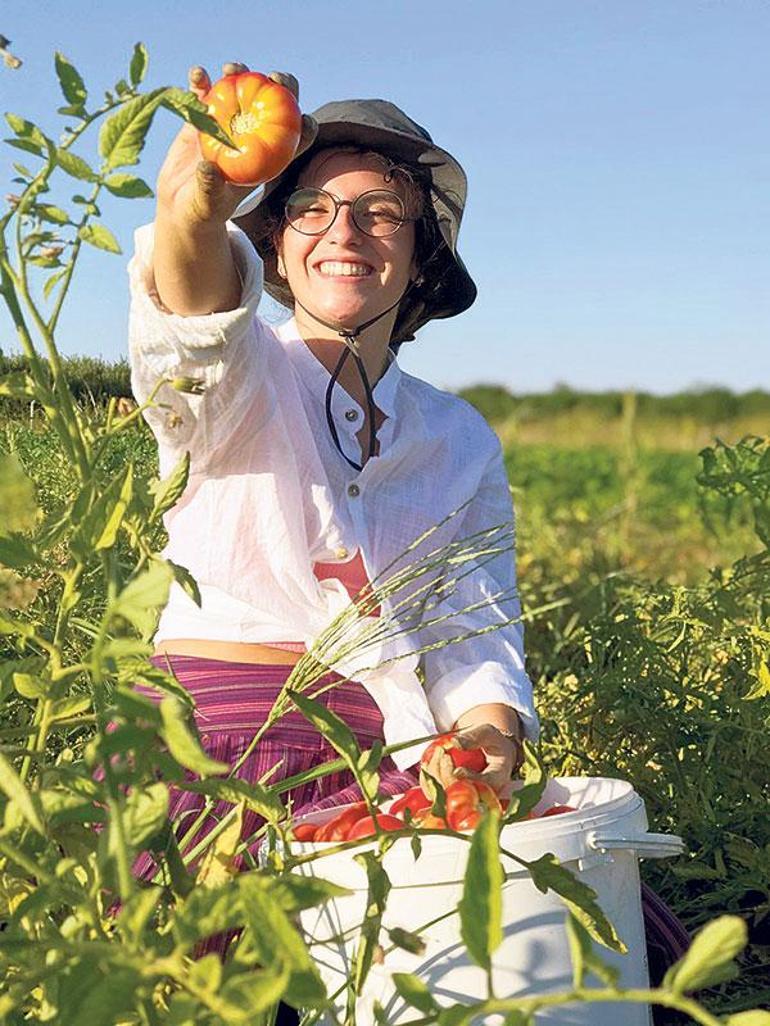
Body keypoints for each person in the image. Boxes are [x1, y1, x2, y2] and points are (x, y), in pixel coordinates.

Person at [127, 62, 685, 1021]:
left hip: (389, 741)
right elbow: (193, 321)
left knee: (597, 953)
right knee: (215, 982)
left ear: (420, 257)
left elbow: (476, 628)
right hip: (219, 740)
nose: (344, 230)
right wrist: (193, 214)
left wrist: (486, 740)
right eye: (310, 206)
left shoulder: (456, 437)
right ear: (274, 243)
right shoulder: (244, 375)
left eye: (381, 213)